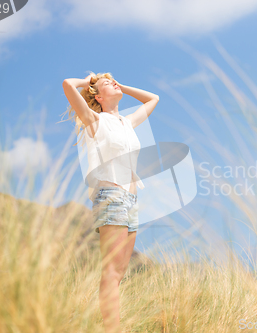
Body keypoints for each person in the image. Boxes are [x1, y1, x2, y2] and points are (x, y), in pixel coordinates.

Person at [62, 72, 159, 332]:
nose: (114, 83)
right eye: (108, 84)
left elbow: (153, 99)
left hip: (131, 200)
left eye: (114, 81)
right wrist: (90, 81)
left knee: (119, 274)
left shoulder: (126, 122)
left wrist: (120, 86)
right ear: (98, 96)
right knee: (112, 273)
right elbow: (68, 85)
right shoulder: (95, 120)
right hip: (111, 195)